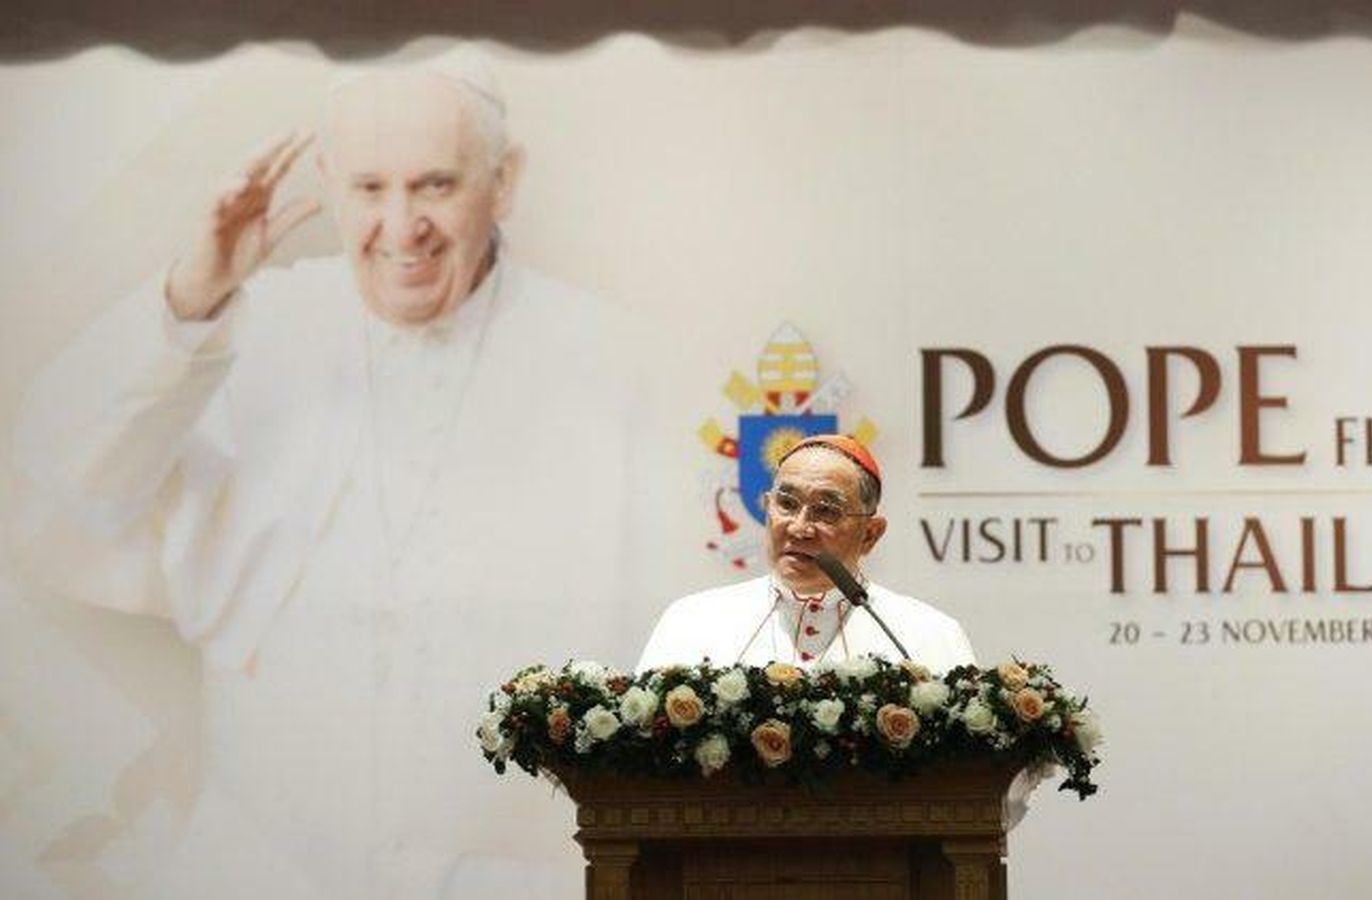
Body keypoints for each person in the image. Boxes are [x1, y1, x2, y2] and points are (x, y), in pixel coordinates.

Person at [10, 53, 640, 899]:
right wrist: (191, 301)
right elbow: (63, 493)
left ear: (504, 180)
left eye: (435, 185)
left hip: (516, 878)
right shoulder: (248, 324)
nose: (401, 224)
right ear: (326, 182)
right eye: (369, 187)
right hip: (264, 868)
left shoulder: (610, 355)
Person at [637, 434, 975, 672]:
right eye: (786, 504)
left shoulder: (928, 635)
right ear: (768, 508)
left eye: (826, 511)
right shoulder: (692, 621)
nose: (800, 528)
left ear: (870, 535)